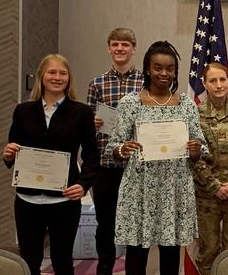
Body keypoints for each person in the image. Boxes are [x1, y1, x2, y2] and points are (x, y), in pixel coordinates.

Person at [104, 41, 208, 275]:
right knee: (137, 255)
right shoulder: (130, 103)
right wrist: (123, 149)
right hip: (139, 189)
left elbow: (202, 147)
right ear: (148, 69)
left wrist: (196, 149)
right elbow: (112, 147)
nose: (164, 73)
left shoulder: (187, 105)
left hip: (175, 188)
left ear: (175, 71)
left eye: (169, 68)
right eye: (158, 67)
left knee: (171, 254)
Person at [2, 54, 99, 275]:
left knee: (62, 261)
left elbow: (92, 154)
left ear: (69, 78)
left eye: (62, 73)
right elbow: (14, 150)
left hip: (64, 200)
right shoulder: (23, 111)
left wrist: (83, 184)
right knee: (29, 261)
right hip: (27, 200)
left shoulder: (81, 112)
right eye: (52, 72)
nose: (57, 77)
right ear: (41, 76)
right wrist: (8, 155)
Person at [86, 27, 143, 275]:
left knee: (135, 224)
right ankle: (105, 268)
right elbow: (85, 124)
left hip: (136, 166)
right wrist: (92, 123)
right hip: (105, 166)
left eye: (125, 44)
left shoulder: (144, 82)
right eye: (115, 44)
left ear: (133, 49)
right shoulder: (97, 83)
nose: (120, 48)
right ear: (109, 48)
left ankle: (134, 269)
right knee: (105, 224)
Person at [192, 62, 228, 275]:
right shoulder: (194, 113)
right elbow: (193, 157)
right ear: (204, 84)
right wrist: (215, 185)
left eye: (223, 79)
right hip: (206, 193)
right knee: (208, 250)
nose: (219, 85)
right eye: (213, 81)